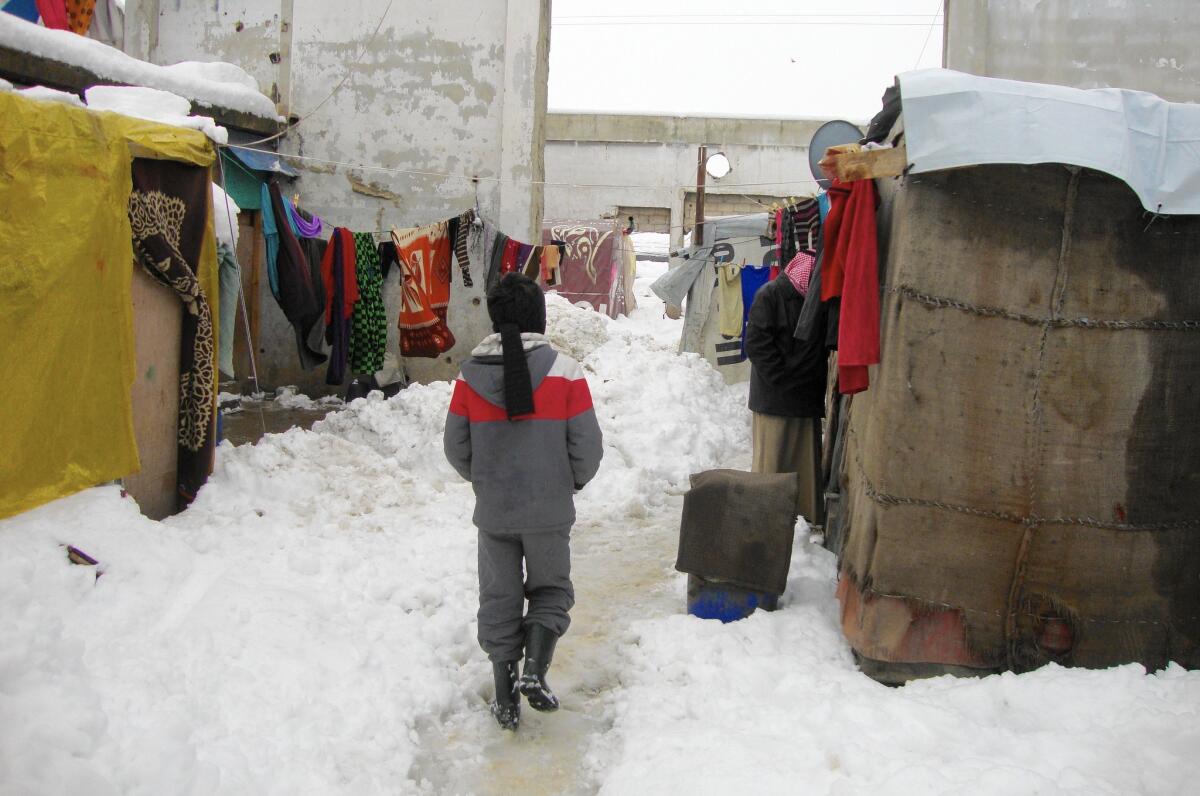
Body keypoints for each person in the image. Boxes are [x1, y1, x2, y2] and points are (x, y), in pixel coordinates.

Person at [443, 273, 604, 731]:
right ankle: (535, 671)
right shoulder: (565, 371)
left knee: (498, 598)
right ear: (541, 316)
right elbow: (587, 447)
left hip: (494, 512)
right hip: (549, 510)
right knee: (551, 590)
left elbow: (456, 446)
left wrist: (486, 480)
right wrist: (566, 483)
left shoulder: (469, 376)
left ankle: (505, 697)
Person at [743, 253, 828, 524]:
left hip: (804, 400)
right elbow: (757, 345)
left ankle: (804, 519)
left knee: (804, 464)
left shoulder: (816, 301)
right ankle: (765, 520)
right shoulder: (770, 295)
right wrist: (784, 379)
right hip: (775, 399)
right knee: (773, 462)